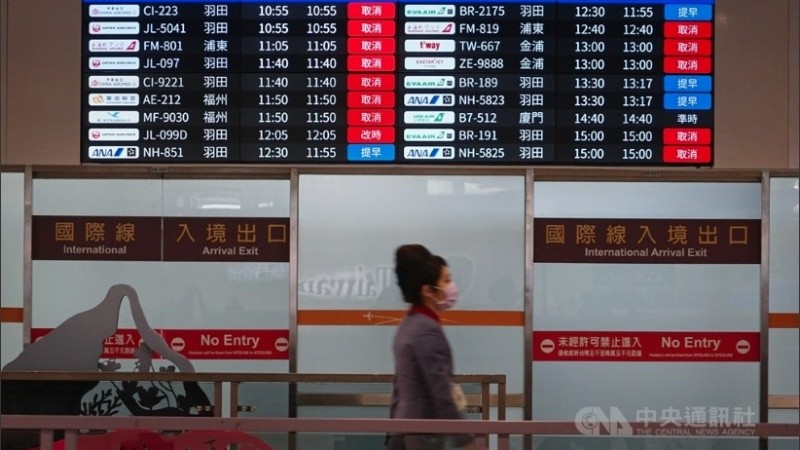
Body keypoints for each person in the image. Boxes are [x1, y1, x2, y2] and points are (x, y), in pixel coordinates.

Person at [386, 244, 473, 450]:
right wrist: (466, 439)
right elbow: (440, 390)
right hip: (421, 436)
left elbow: (399, 389)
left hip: (403, 431)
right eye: (446, 280)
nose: (452, 286)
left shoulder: (409, 324)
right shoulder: (426, 329)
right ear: (428, 291)